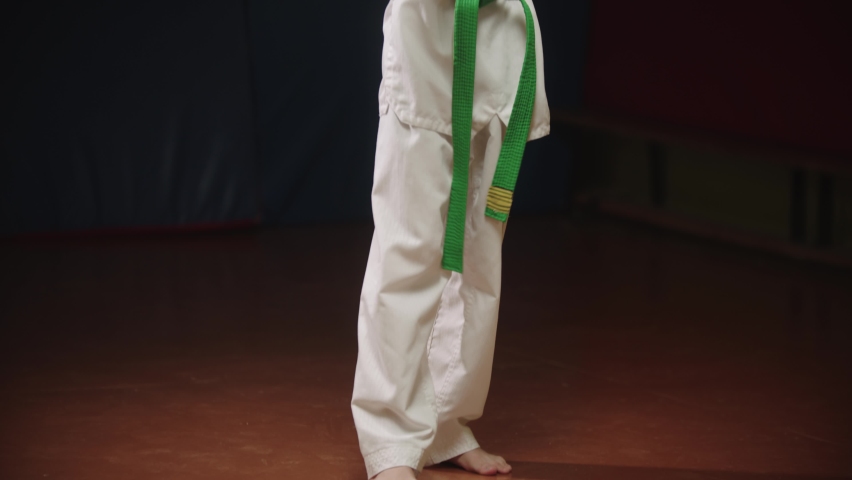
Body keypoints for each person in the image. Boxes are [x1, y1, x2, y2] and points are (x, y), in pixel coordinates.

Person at [351, 0, 549, 478]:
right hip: (429, 41)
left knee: (480, 255)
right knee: (410, 249)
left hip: (501, 37)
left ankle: (445, 422)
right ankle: (390, 440)